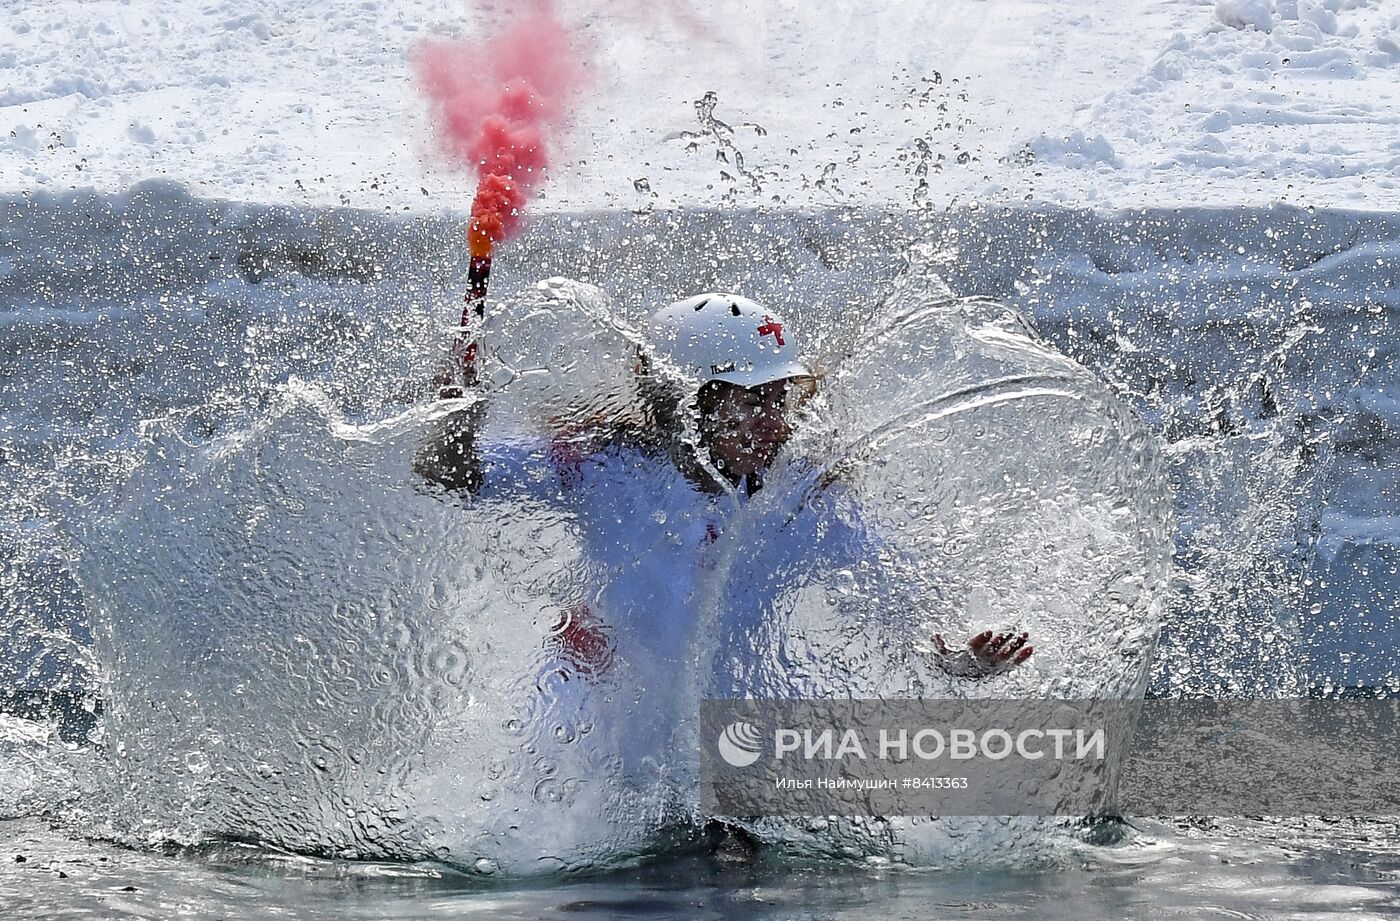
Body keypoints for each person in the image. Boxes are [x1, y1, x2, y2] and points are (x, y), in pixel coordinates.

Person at [413, 292, 1033, 683]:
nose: (775, 423)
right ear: (686, 402)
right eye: (750, 402)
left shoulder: (802, 499)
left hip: (722, 739)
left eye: (779, 399)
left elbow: (899, 599)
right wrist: (457, 412)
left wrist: (957, 661)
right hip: (583, 725)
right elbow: (449, 475)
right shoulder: (602, 464)